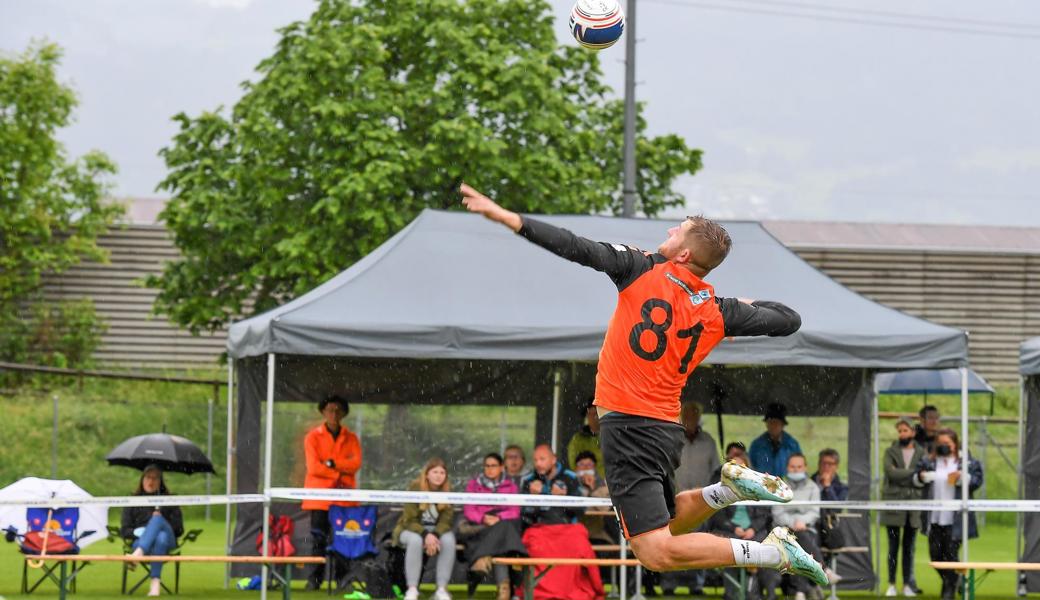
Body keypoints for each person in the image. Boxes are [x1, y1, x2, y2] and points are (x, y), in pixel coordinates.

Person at [461, 185, 826, 586]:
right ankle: (727, 491)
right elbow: (788, 318)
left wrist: (510, 219)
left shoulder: (641, 268)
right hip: (663, 430)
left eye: (677, 231)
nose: (670, 230)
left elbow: (575, 247)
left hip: (629, 427)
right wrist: (740, 306)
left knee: (654, 553)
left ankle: (774, 552)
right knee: (669, 522)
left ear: (684, 254)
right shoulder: (716, 309)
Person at [302, 395, 362, 590]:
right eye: (330, 410)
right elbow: (313, 468)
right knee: (318, 539)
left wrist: (332, 464)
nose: (334, 414)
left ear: (344, 413)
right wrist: (338, 475)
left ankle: (342, 580)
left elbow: (355, 464)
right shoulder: (312, 437)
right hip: (319, 499)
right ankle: (314, 580)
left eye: (338, 410)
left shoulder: (351, 437)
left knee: (343, 540)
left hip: (344, 499)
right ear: (323, 412)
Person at [914, 429, 982, 600]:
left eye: (948, 444)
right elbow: (914, 480)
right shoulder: (928, 461)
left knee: (951, 555)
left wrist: (963, 477)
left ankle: (948, 592)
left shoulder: (966, 462)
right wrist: (921, 477)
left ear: (955, 444)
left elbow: (977, 481)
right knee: (935, 555)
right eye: (941, 443)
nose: (944, 447)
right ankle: (956, 579)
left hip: (956, 518)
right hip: (934, 517)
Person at [665, 401, 721, 596]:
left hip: (700, 501)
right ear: (681, 415)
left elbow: (716, 471)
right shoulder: (671, 438)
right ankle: (669, 584)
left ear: (698, 417)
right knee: (671, 540)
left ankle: (697, 584)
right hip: (674, 499)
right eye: (687, 414)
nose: (690, 418)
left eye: (694, 414)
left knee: (699, 542)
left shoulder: (709, 442)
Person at [762, 454, 831, 600]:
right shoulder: (778, 486)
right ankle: (822, 571)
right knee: (800, 541)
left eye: (799, 467)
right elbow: (777, 513)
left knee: (800, 541)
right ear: (787, 468)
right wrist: (793, 524)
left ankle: (800, 591)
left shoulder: (813, 487)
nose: (796, 469)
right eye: (793, 467)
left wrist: (802, 523)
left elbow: (814, 512)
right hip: (783, 531)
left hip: (807, 529)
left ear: (805, 468)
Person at [706, 446, 771, 600]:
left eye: (741, 467)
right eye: (734, 467)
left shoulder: (758, 488)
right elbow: (717, 515)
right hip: (728, 531)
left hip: (754, 533)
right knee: (731, 549)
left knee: (756, 549)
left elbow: (764, 515)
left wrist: (752, 529)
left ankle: (752, 593)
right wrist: (734, 528)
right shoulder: (719, 488)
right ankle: (732, 594)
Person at [462, 453, 526, 600]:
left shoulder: (511, 485)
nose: (490, 469)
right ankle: (505, 590)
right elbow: (469, 509)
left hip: (500, 524)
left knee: (503, 530)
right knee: (503, 539)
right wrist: (483, 518)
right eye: (487, 466)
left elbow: (515, 511)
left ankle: (481, 560)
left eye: (494, 466)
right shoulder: (474, 484)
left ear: (502, 467)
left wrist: (499, 518)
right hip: (480, 527)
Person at [393, 458, 457, 600]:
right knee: (415, 540)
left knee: (449, 539)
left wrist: (434, 534)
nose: (439, 475)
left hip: (435, 531)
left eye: (442, 472)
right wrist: (425, 534)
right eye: (435, 472)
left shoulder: (448, 491)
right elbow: (409, 520)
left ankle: (441, 590)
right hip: (410, 529)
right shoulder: (415, 487)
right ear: (427, 474)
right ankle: (412, 589)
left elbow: (446, 521)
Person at [120, 465, 185, 597]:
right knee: (159, 538)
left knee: (158, 522)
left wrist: (159, 524)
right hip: (141, 541)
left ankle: (136, 556)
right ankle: (155, 583)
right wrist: (141, 532)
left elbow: (179, 529)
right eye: (148, 477)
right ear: (142, 479)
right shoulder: (133, 500)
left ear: (160, 481)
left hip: (169, 543)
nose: (151, 481)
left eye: (155, 478)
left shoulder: (169, 500)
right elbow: (124, 530)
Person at [881, 419, 926, 598]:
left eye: (905, 430)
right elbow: (890, 473)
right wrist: (913, 473)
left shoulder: (922, 452)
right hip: (894, 505)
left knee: (909, 548)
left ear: (912, 433)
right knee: (893, 547)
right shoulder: (890, 451)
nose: (902, 434)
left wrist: (902, 474)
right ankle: (891, 583)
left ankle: (907, 583)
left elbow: (924, 474)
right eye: (899, 431)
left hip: (913, 507)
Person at [521, 444, 584, 527]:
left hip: (566, 529)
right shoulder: (529, 480)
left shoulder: (570, 477)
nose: (538, 464)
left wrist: (564, 499)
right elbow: (524, 513)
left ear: (553, 459)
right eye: (535, 460)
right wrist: (534, 499)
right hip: (538, 530)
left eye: (542, 459)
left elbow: (581, 509)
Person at [748, 403, 803, 478]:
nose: (773, 426)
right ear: (766, 424)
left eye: (776, 423)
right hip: (762, 486)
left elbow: (800, 468)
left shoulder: (792, 445)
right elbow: (751, 468)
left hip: (786, 486)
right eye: (770, 422)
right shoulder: (756, 445)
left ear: (782, 425)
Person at [567, 397, 604, 477]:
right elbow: (573, 464)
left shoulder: (611, 436)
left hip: (608, 485)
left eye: (597, 414)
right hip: (584, 484)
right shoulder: (577, 439)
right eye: (591, 414)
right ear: (587, 415)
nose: (594, 417)